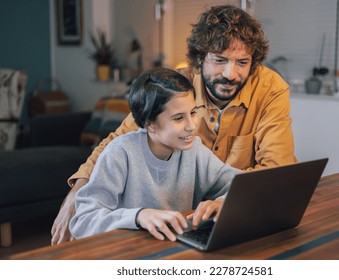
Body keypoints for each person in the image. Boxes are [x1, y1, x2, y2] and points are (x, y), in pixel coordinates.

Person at [51, 5, 297, 244]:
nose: (230, 74)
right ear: (199, 60)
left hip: (209, 224)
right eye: (220, 60)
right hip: (143, 236)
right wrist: (79, 192)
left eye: (242, 62)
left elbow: (275, 172)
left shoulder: (268, 90)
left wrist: (228, 201)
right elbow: (119, 142)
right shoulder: (175, 90)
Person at [69, 68, 238, 241]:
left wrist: (223, 202)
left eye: (193, 113)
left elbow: (243, 185)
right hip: (128, 253)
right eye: (179, 118)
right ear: (150, 124)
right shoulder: (120, 152)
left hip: (175, 249)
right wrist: (138, 216)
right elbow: (83, 221)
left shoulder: (194, 150)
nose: (192, 125)